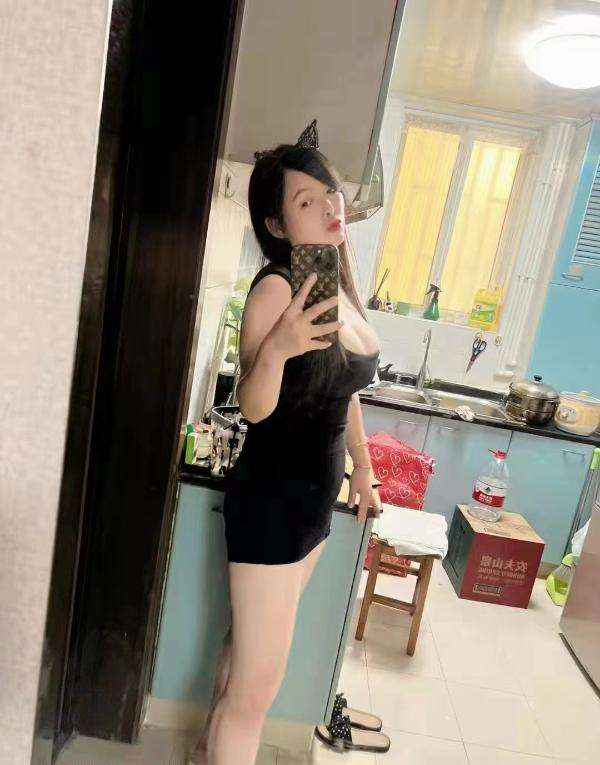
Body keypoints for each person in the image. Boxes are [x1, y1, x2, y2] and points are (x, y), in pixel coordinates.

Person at [189, 121, 381, 765]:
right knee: (255, 694)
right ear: (276, 224)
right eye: (307, 200)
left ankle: (203, 752)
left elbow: (341, 388)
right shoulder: (277, 287)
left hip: (310, 506)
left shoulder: (326, 280)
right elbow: (253, 406)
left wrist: (364, 466)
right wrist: (275, 350)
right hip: (272, 503)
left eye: (330, 193)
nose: (329, 206)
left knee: (243, 659)